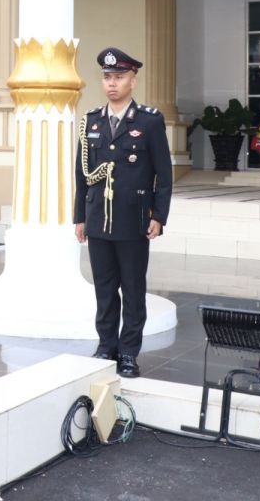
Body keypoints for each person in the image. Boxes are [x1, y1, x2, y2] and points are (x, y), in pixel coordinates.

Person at [74, 47, 172, 379]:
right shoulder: (91, 121)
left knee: (132, 289)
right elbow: (82, 174)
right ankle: (106, 346)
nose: (112, 83)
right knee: (104, 289)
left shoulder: (149, 120)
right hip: (99, 218)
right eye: (107, 77)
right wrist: (80, 217)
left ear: (133, 79)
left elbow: (164, 173)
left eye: (119, 77)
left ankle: (128, 352)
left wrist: (159, 215)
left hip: (133, 221)